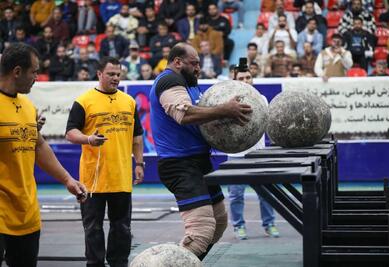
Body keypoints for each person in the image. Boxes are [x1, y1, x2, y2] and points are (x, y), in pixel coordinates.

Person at [149, 43, 252, 260]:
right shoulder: (169, 80)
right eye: (194, 63)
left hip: (199, 161)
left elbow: (205, 115)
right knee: (201, 230)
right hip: (179, 164)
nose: (198, 68)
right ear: (177, 62)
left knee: (219, 222)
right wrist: (225, 110)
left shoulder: (190, 84)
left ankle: (189, 263)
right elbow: (184, 115)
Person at [0, 43, 86, 267]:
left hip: (26, 213)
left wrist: (67, 179)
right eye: (34, 71)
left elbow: (38, 146)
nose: (37, 77)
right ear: (17, 71)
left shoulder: (28, 107)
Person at [65, 56, 145, 267]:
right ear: (99, 74)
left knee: (122, 228)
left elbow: (137, 136)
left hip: (120, 176)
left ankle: (119, 263)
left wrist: (139, 163)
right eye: (111, 74)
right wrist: (88, 139)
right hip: (93, 180)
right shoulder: (84, 101)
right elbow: (70, 133)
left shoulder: (129, 102)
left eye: (118, 74)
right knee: (93, 228)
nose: (116, 78)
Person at [228, 58, 280, 240]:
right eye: (241, 78)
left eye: (248, 78)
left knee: (266, 194)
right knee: (235, 195)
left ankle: (269, 224)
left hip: (259, 155)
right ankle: (238, 226)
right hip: (236, 155)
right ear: (235, 80)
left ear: (252, 79)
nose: (245, 81)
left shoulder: (262, 99)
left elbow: (268, 126)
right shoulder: (227, 102)